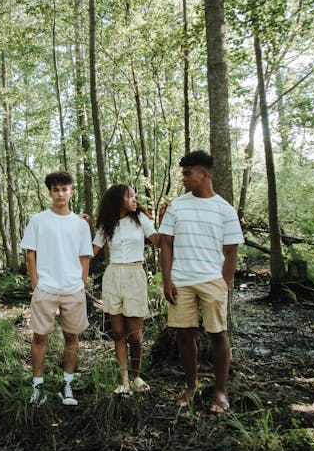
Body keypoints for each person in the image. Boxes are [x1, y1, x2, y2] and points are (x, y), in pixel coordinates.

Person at [159, 150, 244, 414]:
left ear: (204, 174)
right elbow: (165, 245)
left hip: (212, 281)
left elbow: (231, 251)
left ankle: (220, 391)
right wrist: (167, 280)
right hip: (181, 281)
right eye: (183, 173)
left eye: (187, 173)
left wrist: (223, 283)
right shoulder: (176, 206)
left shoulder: (224, 209)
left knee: (218, 334)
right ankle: (191, 386)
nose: (183, 178)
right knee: (184, 334)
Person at [20, 171, 94, 406]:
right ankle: (37, 385)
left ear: (71, 191)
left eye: (65, 189)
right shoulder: (39, 220)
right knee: (40, 336)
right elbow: (30, 254)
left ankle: (67, 384)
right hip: (46, 287)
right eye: (55, 189)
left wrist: (81, 283)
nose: (60, 194)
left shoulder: (80, 224)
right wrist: (36, 284)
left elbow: (85, 256)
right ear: (50, 192)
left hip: (72, 288)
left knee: (71, 337)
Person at [92, 185, 160, 395]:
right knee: (119, 332)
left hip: (135, 274)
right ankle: (123, 380)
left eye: (135, 195)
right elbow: (92, 251)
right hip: (113, 276)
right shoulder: (107, 224)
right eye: (129, 196)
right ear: (117, 200)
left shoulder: (141, 220)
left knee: (135, 335)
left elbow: (158, 242)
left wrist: (166, 221)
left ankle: (137, 376)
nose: (134, 199)